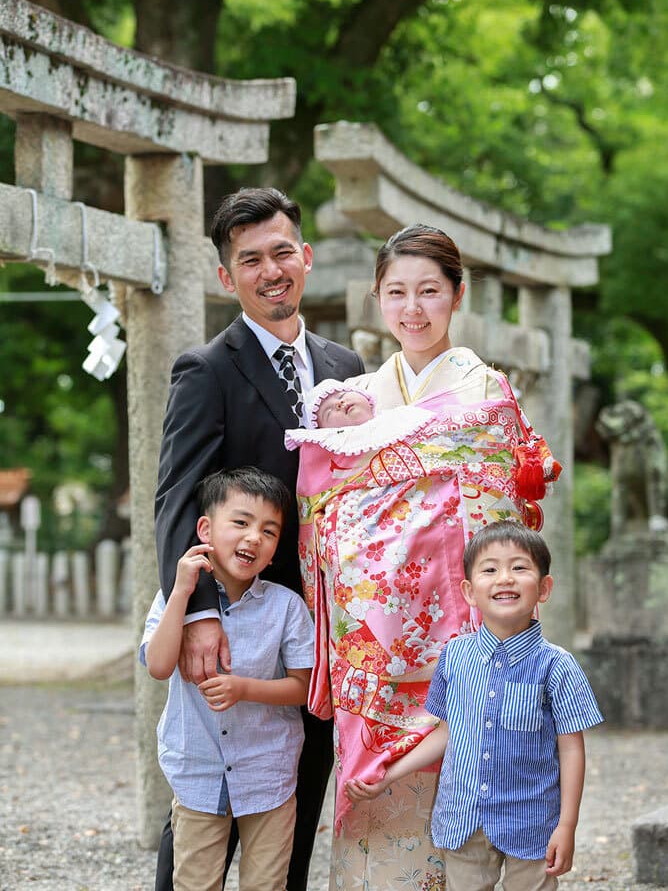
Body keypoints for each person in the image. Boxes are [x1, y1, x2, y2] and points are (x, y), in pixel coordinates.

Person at [294, 224, 561, 890]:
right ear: (377, 299)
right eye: (397, 293)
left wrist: (404, 509)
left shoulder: (487, 396)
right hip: (376, 642)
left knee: (473, 794)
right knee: (378, 807)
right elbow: (323, 506)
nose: (413, 309)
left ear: (457, 296)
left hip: (463, 632)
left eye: (429, 292)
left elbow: (503, 516)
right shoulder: (352, 402)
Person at [153, 187, 364, 891]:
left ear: (305, 256)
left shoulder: (346, 366)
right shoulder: (206, 369)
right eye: (251, 261)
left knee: (298, 792)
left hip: (328, 627)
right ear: (227, 277)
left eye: (282, 253)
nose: (271, 270)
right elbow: (177, 497)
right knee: (206, 799)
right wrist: (201, 611)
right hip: (243, 617)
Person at [346, 520, 604, 891]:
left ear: (544, 588)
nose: (505, 578)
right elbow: (446, 732)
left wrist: (567, 826)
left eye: (519, 567)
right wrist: (388, 775)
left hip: (532, 821)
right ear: (469, 591)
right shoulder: (454, 656)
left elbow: (571, 747)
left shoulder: (557, 665)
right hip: (462, 818)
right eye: (490, 569)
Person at [141, 467, 314, 891]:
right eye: (240, 522)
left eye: (268, 531)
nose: (253, 537)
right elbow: (158, 666)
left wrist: (244, 689)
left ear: (275, 551)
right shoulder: (174, 597)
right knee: (195, 883)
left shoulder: (286, 606)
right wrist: (181, 593)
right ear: (205, 528)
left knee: (267, 884)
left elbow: (303, 687)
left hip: (268, 770)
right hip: (197, 770)